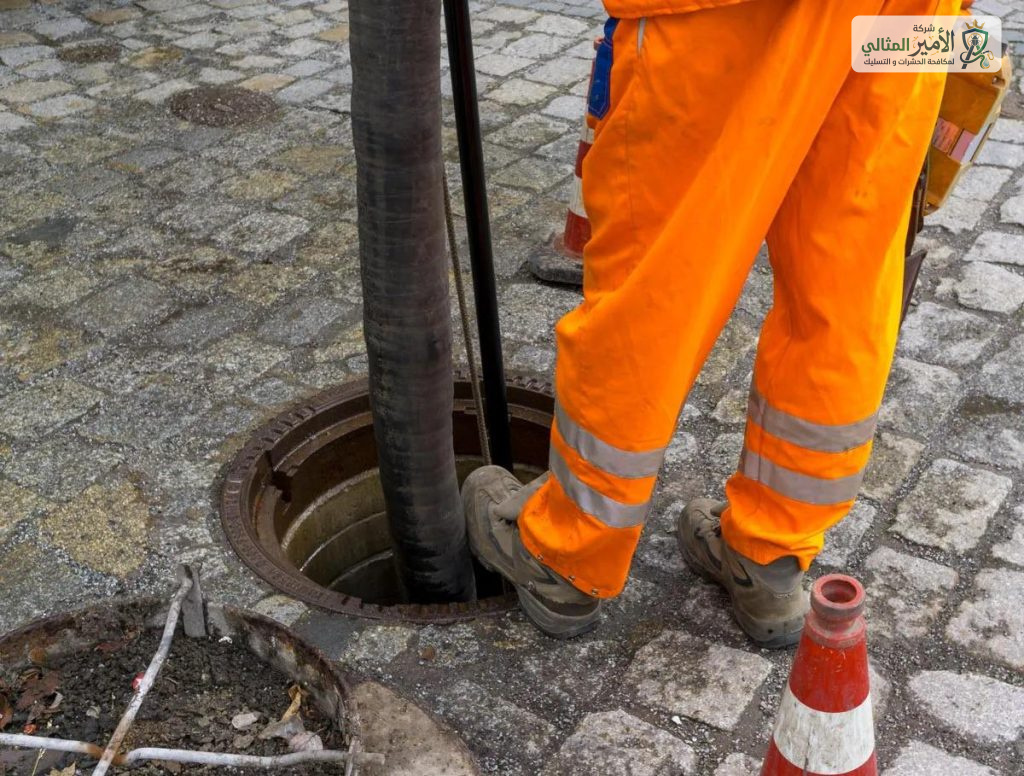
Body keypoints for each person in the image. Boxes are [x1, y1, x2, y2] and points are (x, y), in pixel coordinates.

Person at [462, 0, 960, 646]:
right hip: (916, 13)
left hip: (730, 14)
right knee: (845, 284)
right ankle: (773, 555)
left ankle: (567, 551)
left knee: (660, 276)